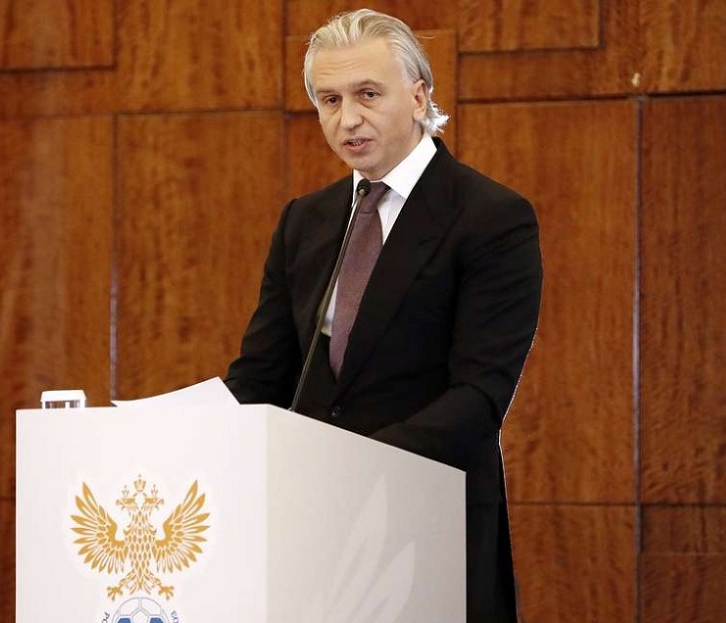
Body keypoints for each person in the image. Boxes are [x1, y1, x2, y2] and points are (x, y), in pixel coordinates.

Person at [224, 8, 542, 622]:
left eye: (368, 94)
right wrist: (181, 434)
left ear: (419, 97)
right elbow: (262, 378)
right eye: (329, 100)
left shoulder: (489, 217)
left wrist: (354, 469)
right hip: (313, 532)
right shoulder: (305, 221)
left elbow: (480, 395)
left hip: (428, 521)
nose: (347, 119)